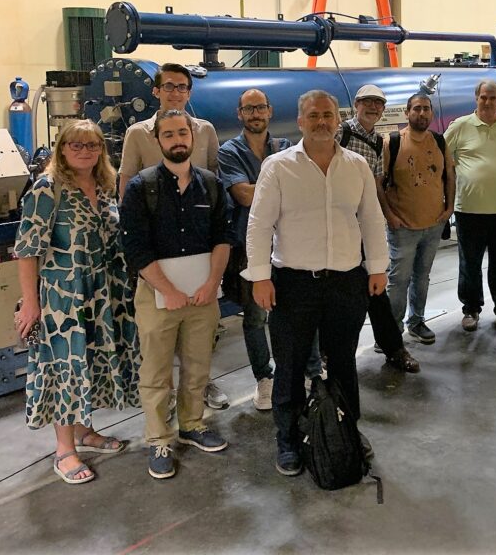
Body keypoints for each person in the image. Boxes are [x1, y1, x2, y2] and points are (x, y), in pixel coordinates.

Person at [245, 90, 387, 476]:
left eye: (327, 114)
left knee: (343, 362)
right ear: (300, 121)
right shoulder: (278, 167)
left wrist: (377, 267)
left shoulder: (356, 166)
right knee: (290, 365)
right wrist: (260, 277)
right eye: (313, 115)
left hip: (346, 281)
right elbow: (259, 225)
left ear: (337, 120)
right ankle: (288, 439)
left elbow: (371, 218)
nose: (321, 121)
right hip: (293, 284)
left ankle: (346, 429)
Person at [14, 120, 139, 485]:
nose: (85, 151)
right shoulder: (47, 188)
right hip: (63, 296)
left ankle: (85, 431)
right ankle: (64, 449)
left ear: (101, 150)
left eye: (92, 145)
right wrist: (31, 303)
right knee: (66, 367)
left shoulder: (104, 186)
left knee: (91, 360)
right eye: (76, 145)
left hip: (103, 292)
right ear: (62, 149)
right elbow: (26, 250)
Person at [121, 110, 233, 479]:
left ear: (192, 136)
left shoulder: (211, 185)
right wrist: (167, 290)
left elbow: (223, 238)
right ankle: (159, 439)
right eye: (168, 134)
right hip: (157, 297)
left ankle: (192, 424)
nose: (177, 140)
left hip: (202, 296)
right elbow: (135, 247)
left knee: (198, 366)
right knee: (156, 372)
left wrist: (211, 283)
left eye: (182, 133)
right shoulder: (141, 188)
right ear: (158, 140)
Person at [118, 62, 228, 411]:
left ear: (189, 92)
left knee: (200, 331)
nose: (176, 92)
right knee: (159, 336)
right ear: (156, 91)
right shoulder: (138, 133)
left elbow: (213, 178)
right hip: (157, 246)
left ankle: (201, 388)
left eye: (182, 87)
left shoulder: (205, 130)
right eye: (169, 86)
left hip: (196, 243)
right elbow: (126, 181)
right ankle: (160, 410)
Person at [218, 89, 323, 411]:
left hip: (289, 244)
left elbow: (301, 189)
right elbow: (243, 196)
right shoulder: (229, 151)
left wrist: (267, 187)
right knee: (254, 316)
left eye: (260, 107)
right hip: (251, 247)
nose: (255, 114)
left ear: (270, 111)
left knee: (301, 311)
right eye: (249, 108)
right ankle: (265, 378)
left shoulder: (285, 146)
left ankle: (312, 371)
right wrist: (280, 186)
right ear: (239, 114)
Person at [336, 84, 420, 373]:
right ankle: (332, 356)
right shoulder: (339, 133)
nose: (373, 107)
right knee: (340, 294)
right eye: (367, 102)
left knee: (375, 287)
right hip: (336, 229)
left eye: (378, 103)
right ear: (356, 105)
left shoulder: (377, 142)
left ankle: (391, 348)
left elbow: (377, 185)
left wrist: (386, 216)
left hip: (364, 228)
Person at [445, 79, 496, 333]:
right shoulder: (460, 126)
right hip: (470, 209)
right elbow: (444, 158)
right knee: (470, 264)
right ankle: (471, 309)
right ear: (476, 98)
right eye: (483, 97)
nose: (487, 102)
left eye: (492, 97)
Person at [379, 93, 455, 345]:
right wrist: (390, 215)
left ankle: (417, 321)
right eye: (417, 109)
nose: (422, 113)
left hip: (433, 224)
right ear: (407, 113)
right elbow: (378, 183)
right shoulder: (393, 143)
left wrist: (449, 208)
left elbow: (450, 176)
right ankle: (391, 333)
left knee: (422, 277)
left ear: (431, 113)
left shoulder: (439, 141)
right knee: (398, 280)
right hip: (403, 227)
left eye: (426, 109)